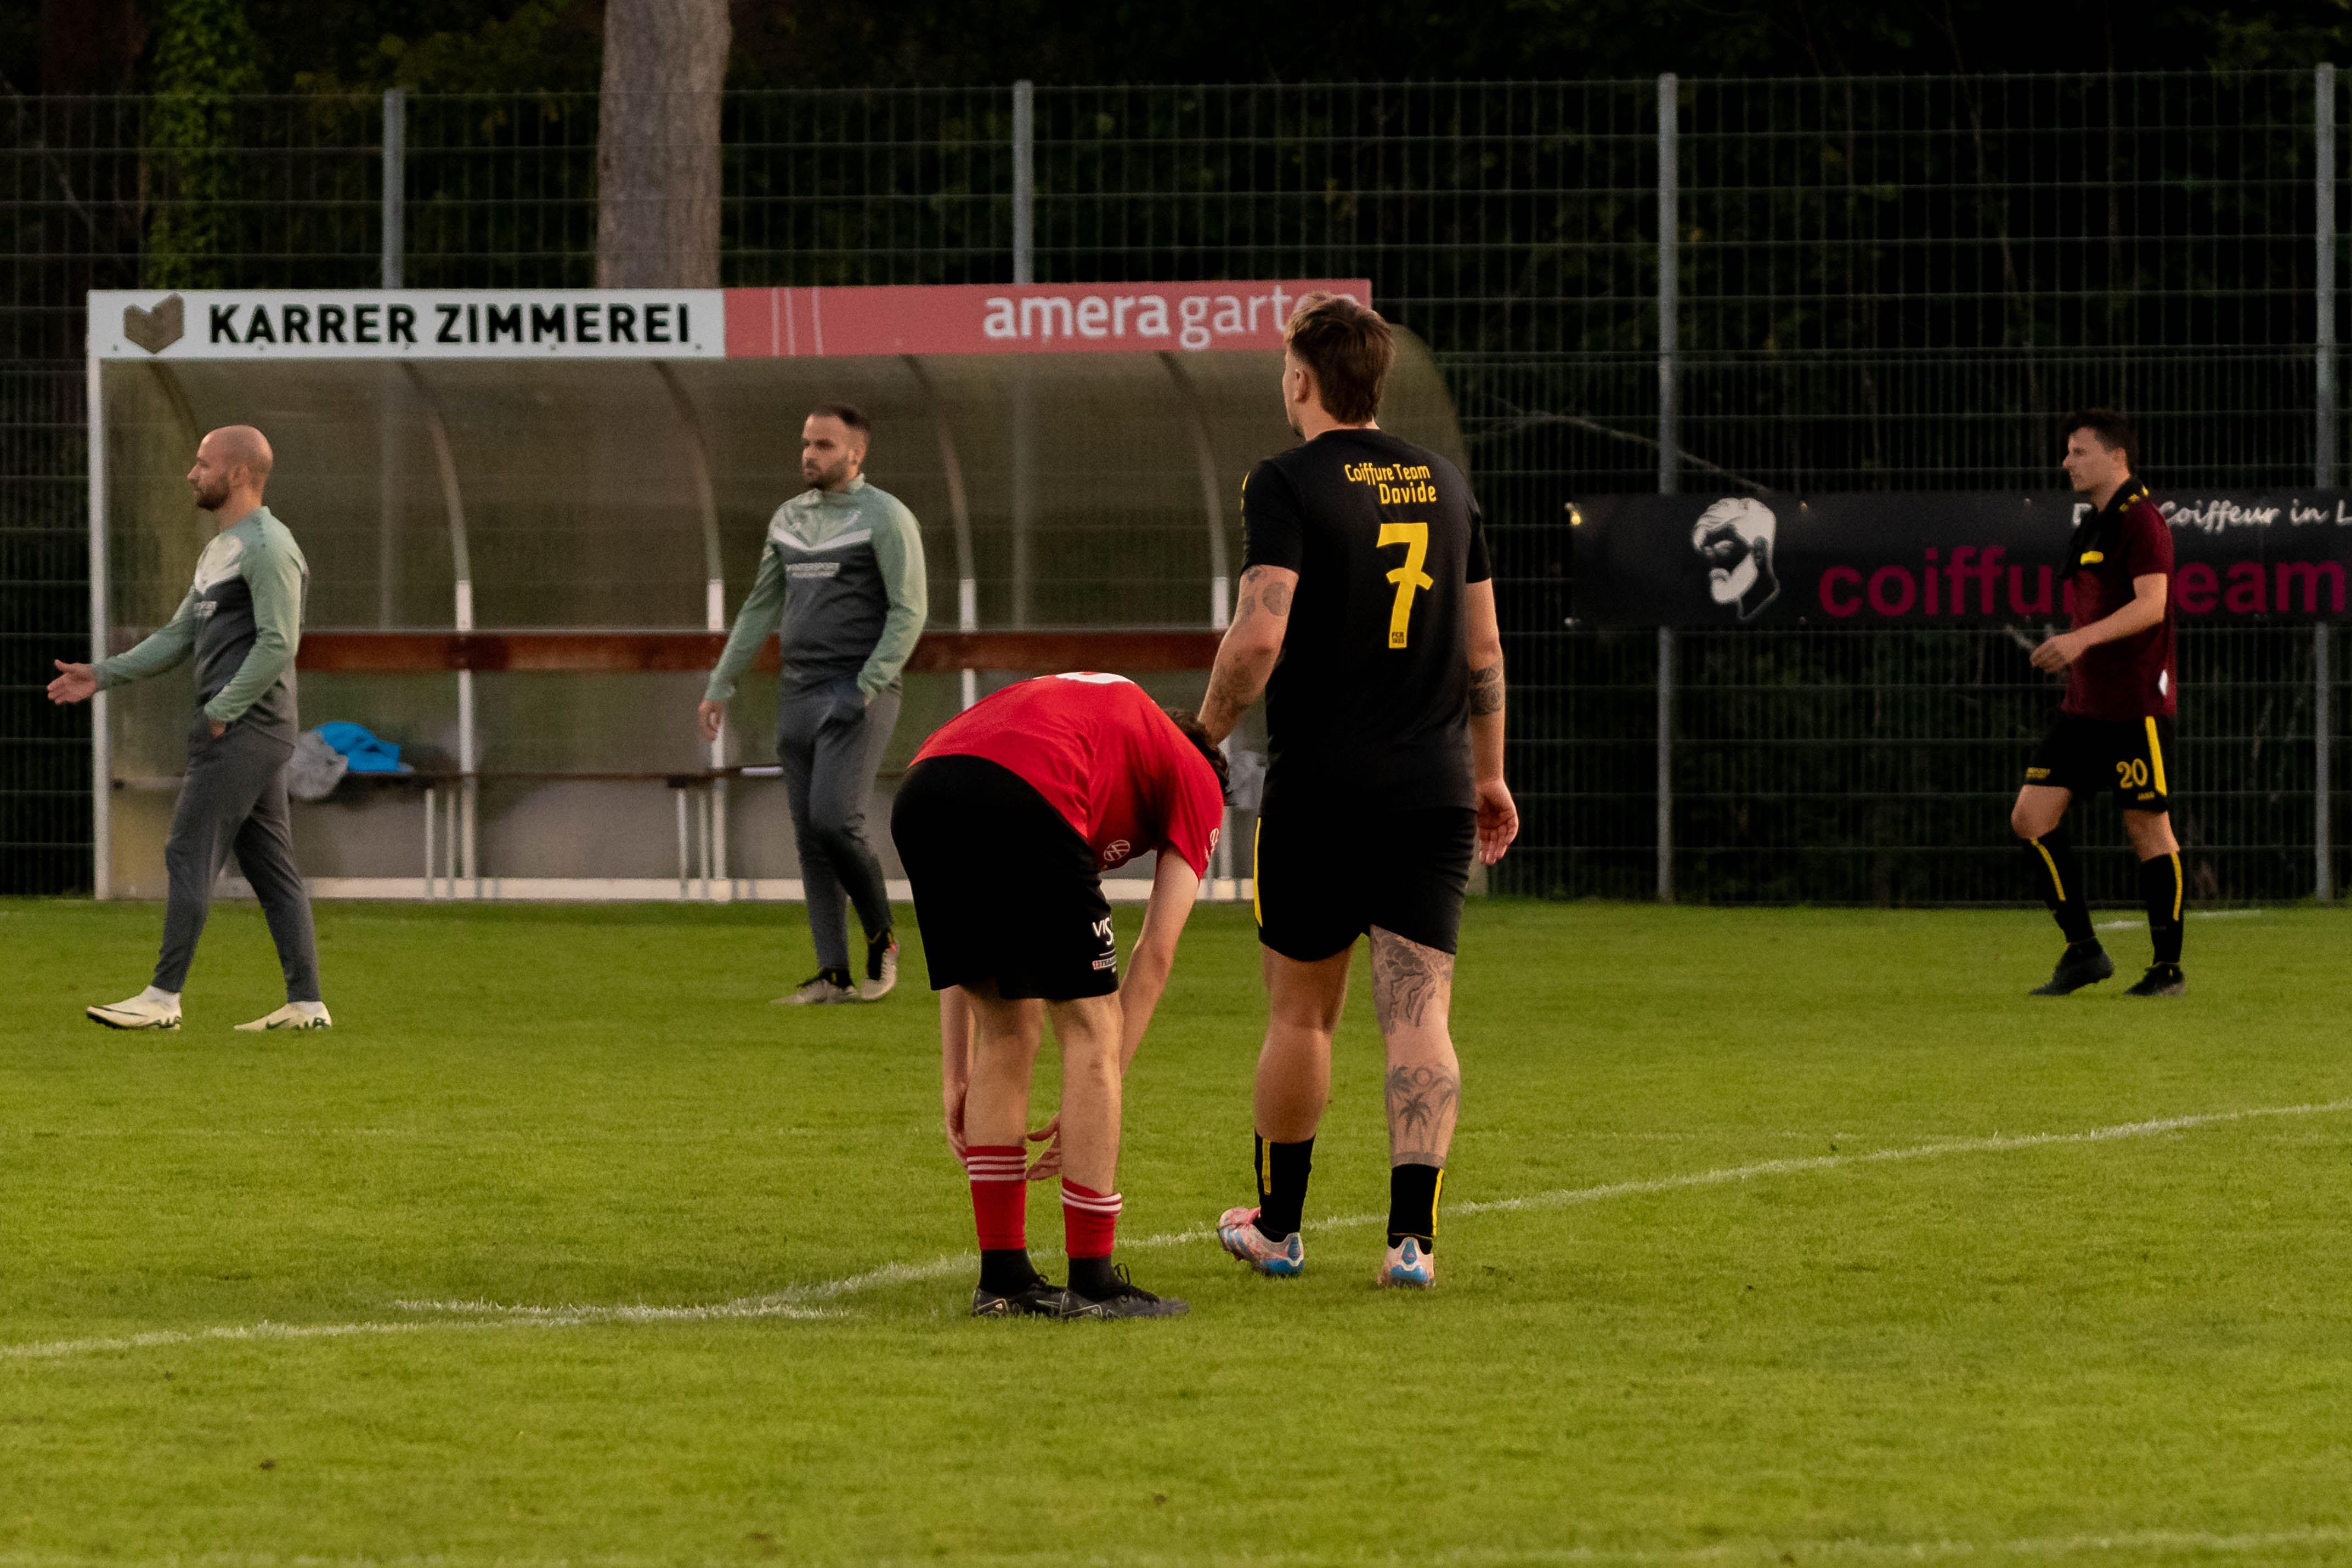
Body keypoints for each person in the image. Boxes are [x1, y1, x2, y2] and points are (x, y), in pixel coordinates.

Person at [1196, 292, 1516, 1292]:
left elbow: (1259, 636)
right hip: (1432, 794)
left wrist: (1201, 734)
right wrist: (1490, 773)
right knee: (1419, 1011)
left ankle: (1279, 1228)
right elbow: (1484, 651)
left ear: (1301, 379)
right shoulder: (1445, 484)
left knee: (1302, 1015)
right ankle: (1411, 1240)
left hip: (1322, 792)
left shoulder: (1285, 480)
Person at [891, 672, 1229, 1320]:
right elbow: (1155, 953)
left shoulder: (1103, 735)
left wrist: (955, 1074)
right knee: (1094, 1028)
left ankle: (1003, 1280)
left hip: (924, 789)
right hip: (1022, 789)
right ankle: (1093, 1284)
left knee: (1007, 1026)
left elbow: (969, 971)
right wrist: (1097, 1092)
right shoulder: (1199, 776)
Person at [47, 424, 330, 1032]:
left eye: (203, 464)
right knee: (271, 867)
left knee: (186, 849)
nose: (191, 474)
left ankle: (162, 999)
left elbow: (280, 643)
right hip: (245, 728)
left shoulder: (269, 547)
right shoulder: (222, 548)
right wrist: (102, 674)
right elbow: (179, 635)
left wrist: (222, 709)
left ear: (237, 475)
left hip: (244, 728)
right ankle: (307, 1006)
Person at [699, 404, 928, 1005]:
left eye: (824, 445)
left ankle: (883, 938)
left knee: (835, 822)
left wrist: (867, 684)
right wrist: (722, 682)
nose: (809, 454)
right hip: (797, 693)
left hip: (856, 692)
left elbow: (909, 611)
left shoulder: (886, 516)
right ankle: (832, 974)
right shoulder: (789, 518)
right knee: (809, 838)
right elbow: (760, 607)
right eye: (806, 442)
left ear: (856, 453)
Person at [2012, 408, 2185, 998]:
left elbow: (2151, 605)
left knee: (2147, 829)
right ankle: (2084, 951)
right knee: (2031, 818)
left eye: (2079, 451)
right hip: (2083, 706)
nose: (2067, 462)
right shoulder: (2093, 523)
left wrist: (2078, 640)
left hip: (2135, 705)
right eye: (2067, 451)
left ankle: (2167, 970)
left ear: (2117, 457)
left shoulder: (2142, 521)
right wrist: (2075, 648)